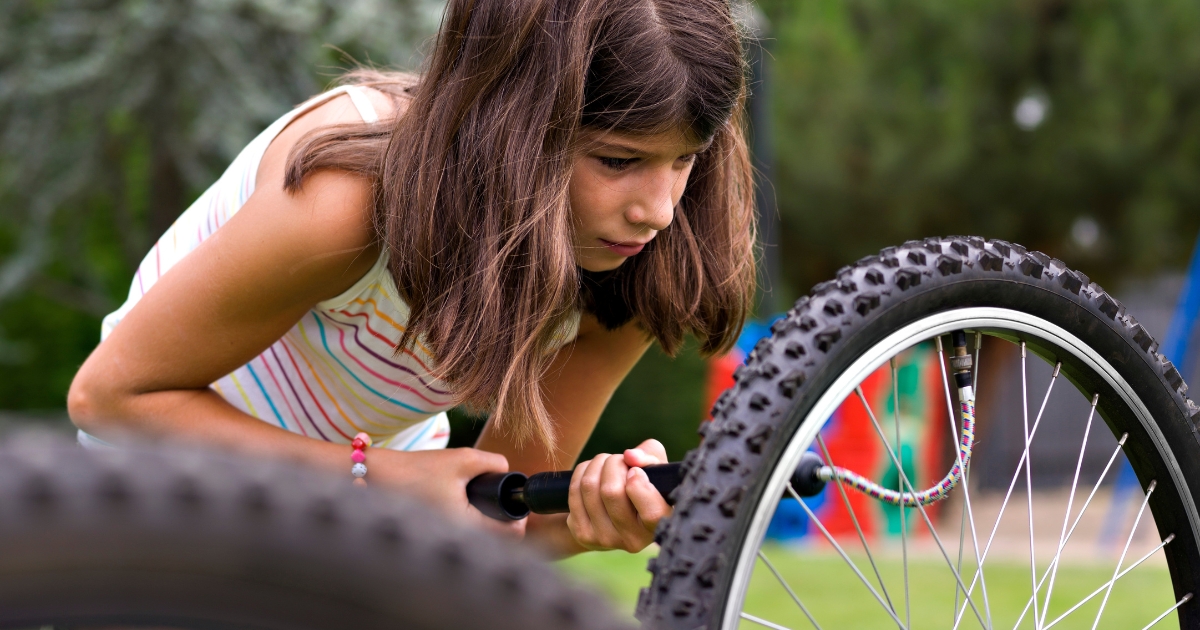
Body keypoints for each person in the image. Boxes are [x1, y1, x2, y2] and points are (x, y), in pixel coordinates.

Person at [67, 0, 755, 556]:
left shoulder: (633, 262)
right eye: (616, 160)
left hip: (354, 511)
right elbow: (113, 398)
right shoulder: (349, 197)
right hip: (161, 498)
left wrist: (586, 517)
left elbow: (493, 521)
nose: (657, 210)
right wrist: (382, 481)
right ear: (512, 125)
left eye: (684, 160)